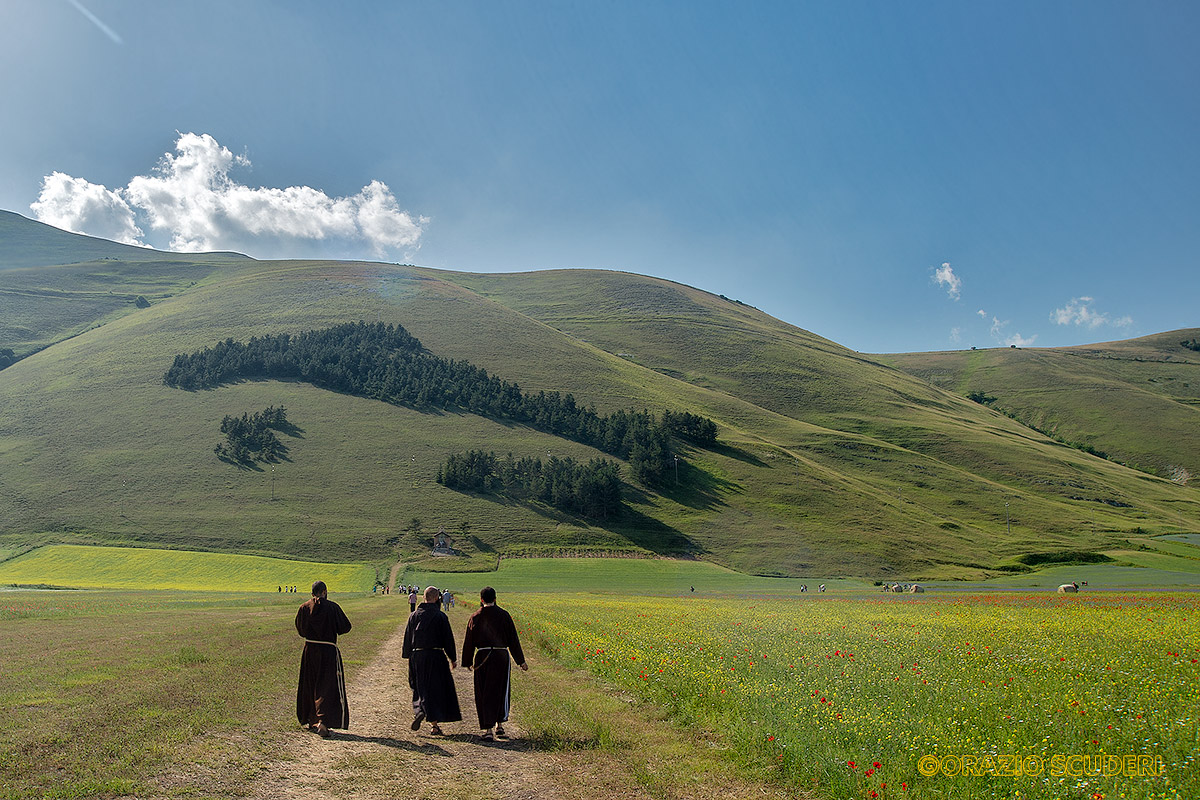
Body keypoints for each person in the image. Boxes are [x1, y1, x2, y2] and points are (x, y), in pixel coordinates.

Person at [460, 586, 527, 741]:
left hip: (482, 656)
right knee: (501, 689)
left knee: (483, 691)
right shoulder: (504, 615)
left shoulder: (475, 617)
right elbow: (513, 640)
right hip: (501, 656)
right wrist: (521, 661)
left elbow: (469, 641)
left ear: (481, 599)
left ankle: (488, 729)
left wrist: (468, 661)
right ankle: (500, 725)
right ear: (495, 599)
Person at [295, 580, 352, 737]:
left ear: (312, 593)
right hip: (328, 650)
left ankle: (311, 718)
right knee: (327, 686)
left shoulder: (304, 607)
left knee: (310, 684)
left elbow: (301, 629)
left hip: (310, 650)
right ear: (325, 592)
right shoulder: (333, 607)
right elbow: (345, 627)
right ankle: (323, 721)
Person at [402, 586, 461, 735]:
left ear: (424, 597)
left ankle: (420, 710)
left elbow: (408, 637)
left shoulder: (414, 615)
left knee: (419, 686)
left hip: (417, 655)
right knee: (435, 688)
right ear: (436, 598)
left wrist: (408, 655)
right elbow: (447, 639)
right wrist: (452, 657)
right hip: (436, 656)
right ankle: (434, 725)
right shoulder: (440, 616)